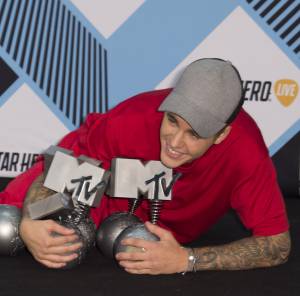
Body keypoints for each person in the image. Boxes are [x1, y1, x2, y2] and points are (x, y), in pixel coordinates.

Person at [0, 58, 290, 274]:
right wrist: (30, 220)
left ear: (222, 134)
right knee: (9, 220)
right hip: (93, 184)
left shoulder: (245, 153)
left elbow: (278, 244)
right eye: (173, 120)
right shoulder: (132, 119)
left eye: (195, 133)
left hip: (156, 223)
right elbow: (61, 171)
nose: (174, 142)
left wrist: (186, 260)